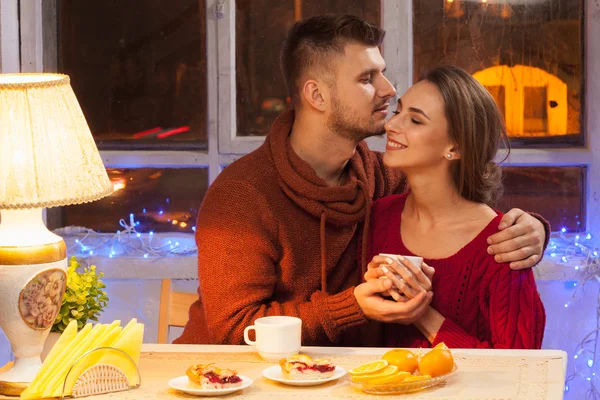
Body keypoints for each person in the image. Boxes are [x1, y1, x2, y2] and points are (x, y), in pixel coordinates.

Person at [175, 15, 548, 346]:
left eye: (382, 73)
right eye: (367, 78)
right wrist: (349, 307)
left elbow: (454, 199)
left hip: (331, 379)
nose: (388, 90)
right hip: (226, 379)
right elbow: (233, 330)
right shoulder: (242, 196)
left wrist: (532, 229)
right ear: (317, 95)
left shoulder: (384, 178)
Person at [362, 65, 545, 349]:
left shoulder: (504, 244)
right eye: (398, 112)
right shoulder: (378, 218)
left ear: (455, 148)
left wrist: (422, 314)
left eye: (416, 120)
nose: (391, 125)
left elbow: (520, 370)